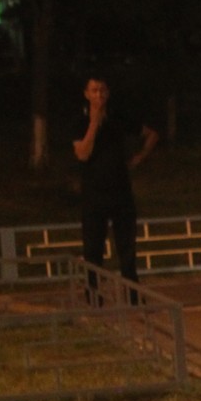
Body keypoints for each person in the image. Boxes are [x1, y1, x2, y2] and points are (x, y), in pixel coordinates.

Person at [72, 74, 158, 288]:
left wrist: (140, 157)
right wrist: (94, 123)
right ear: (86, 94)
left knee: (127, 250)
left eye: (102, 90)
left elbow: (151, 134)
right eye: (94, 91)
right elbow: (82, 154)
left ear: (108, 93)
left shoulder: (118, 117)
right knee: (93, 250)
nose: (99, 95)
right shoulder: (79, 120)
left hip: (121, 192)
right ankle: (94, 299)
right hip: (93, 194)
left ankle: (133, 297)